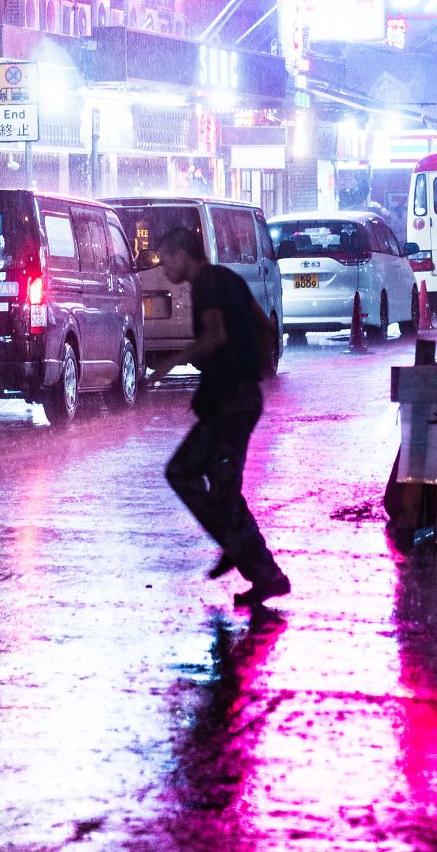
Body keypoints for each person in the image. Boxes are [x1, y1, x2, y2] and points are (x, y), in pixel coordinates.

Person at [151, 226, 290, 609]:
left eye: (166, 260)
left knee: (184, 473)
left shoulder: (206, 285)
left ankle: (239, 547)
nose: (164, 270)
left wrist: (170, 363)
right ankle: (258, 567)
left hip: (233, 401)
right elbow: (264, 324)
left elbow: (214, 337)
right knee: (222, 488)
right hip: (241, 397)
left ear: (183, 255)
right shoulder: (228, 278)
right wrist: (253, 367)